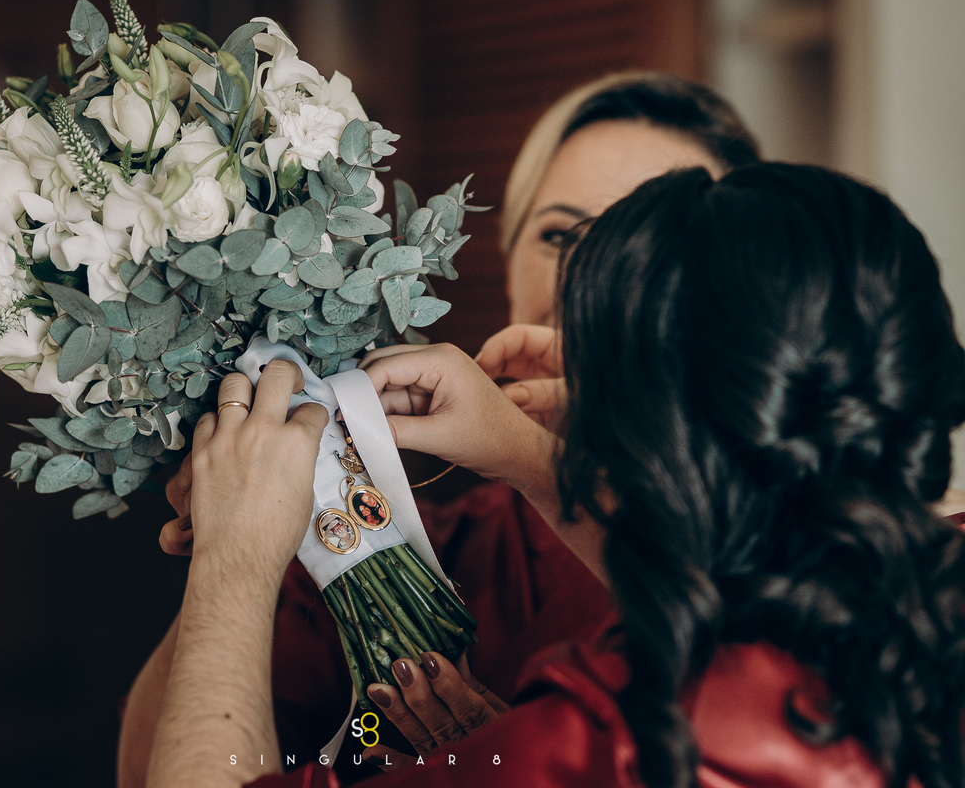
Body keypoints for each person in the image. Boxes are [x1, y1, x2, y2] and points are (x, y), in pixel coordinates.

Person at [146, 163, 965, 788]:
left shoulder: (599, 740)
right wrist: (552, 463)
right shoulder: (921, 603)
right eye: (554, 234)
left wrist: (233, 563)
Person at [118, 72, 764, 786]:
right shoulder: (373, 540)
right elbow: (210, 755)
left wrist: (509, 757)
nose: (590, 278)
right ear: (506, 254)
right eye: (559, 234)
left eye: (644, 247)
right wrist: (229, 524)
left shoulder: (766, 562)